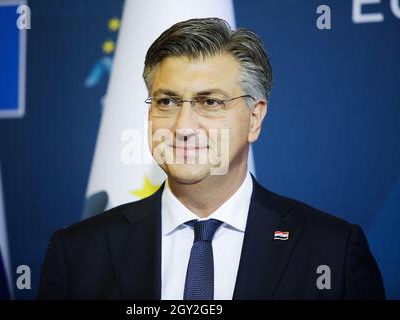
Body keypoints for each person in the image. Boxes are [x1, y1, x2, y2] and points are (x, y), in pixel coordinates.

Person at [38, 17, 384, 300]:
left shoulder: (331, 250)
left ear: (254, 118)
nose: (183, 126)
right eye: (167, 102)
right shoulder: (78, 252)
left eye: (210, 102)